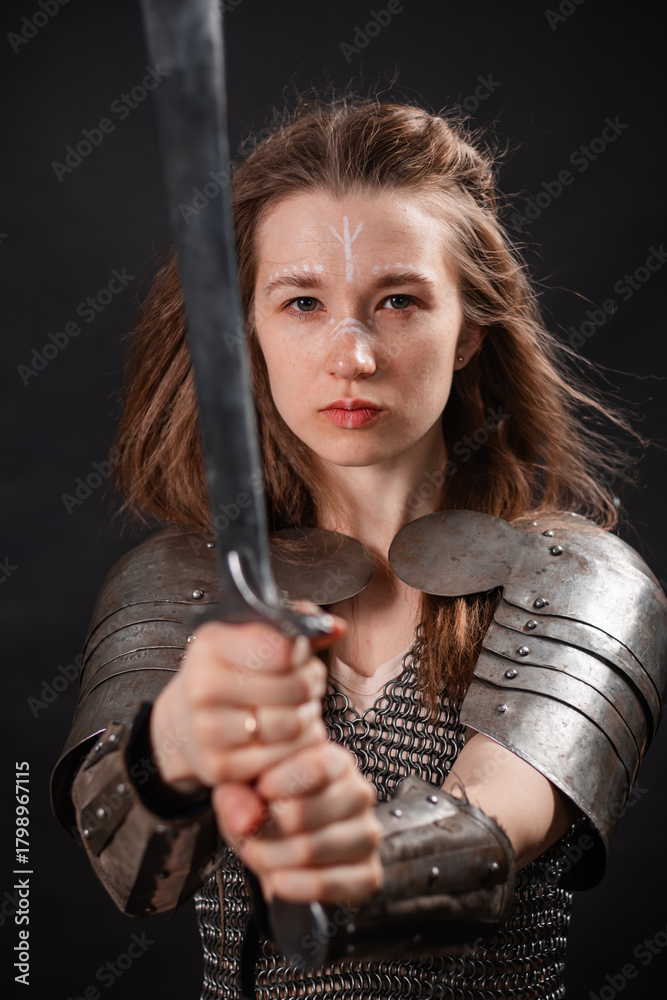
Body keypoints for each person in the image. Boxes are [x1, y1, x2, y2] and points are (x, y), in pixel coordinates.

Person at [52, 99, 666, 999]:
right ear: (250, 330)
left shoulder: (577, 579)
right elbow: (131, 867)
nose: (353, 357)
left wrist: (349, 860)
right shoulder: (180, 584)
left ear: (470, 329)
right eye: (303, 302)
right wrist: (177, 740)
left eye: (397, 302)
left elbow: (497, 827)